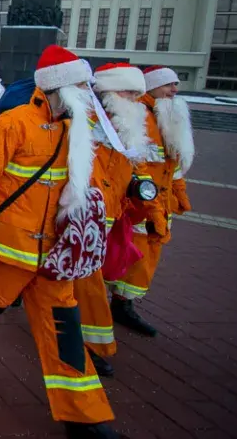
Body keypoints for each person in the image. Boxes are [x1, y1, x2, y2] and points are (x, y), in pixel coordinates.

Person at [0, 45, 118, 439]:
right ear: (59, 87)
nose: (88, 94)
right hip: (11, 246)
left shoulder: (77, 131)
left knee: (64, 326)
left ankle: (84, 414)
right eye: (80, 86)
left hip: (56, 253)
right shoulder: (13, 123)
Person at [76, 63, 152, 378]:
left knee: (85, 284)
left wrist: (140, 198)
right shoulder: (84, 123)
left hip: (110, 220)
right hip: (80, 221)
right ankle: (93, 348)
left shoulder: (126, 127)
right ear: (107, 92)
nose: (133, 99)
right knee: (88, 288)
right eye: (126, 92)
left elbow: (132, 171)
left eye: (136, 94)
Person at [110, 65, 194, 337]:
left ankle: (123, 304)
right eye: (168, 84)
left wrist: (179, 192)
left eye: (176, 84)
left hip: (159, 205)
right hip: (139, 209)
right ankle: (107, 305)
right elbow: (138, 168)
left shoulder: (167, 117)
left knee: (143, 261)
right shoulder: (141, 118)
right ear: (152, 87)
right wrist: (153, 208)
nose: (174, 90)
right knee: (123, 257)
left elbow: (173, 165)